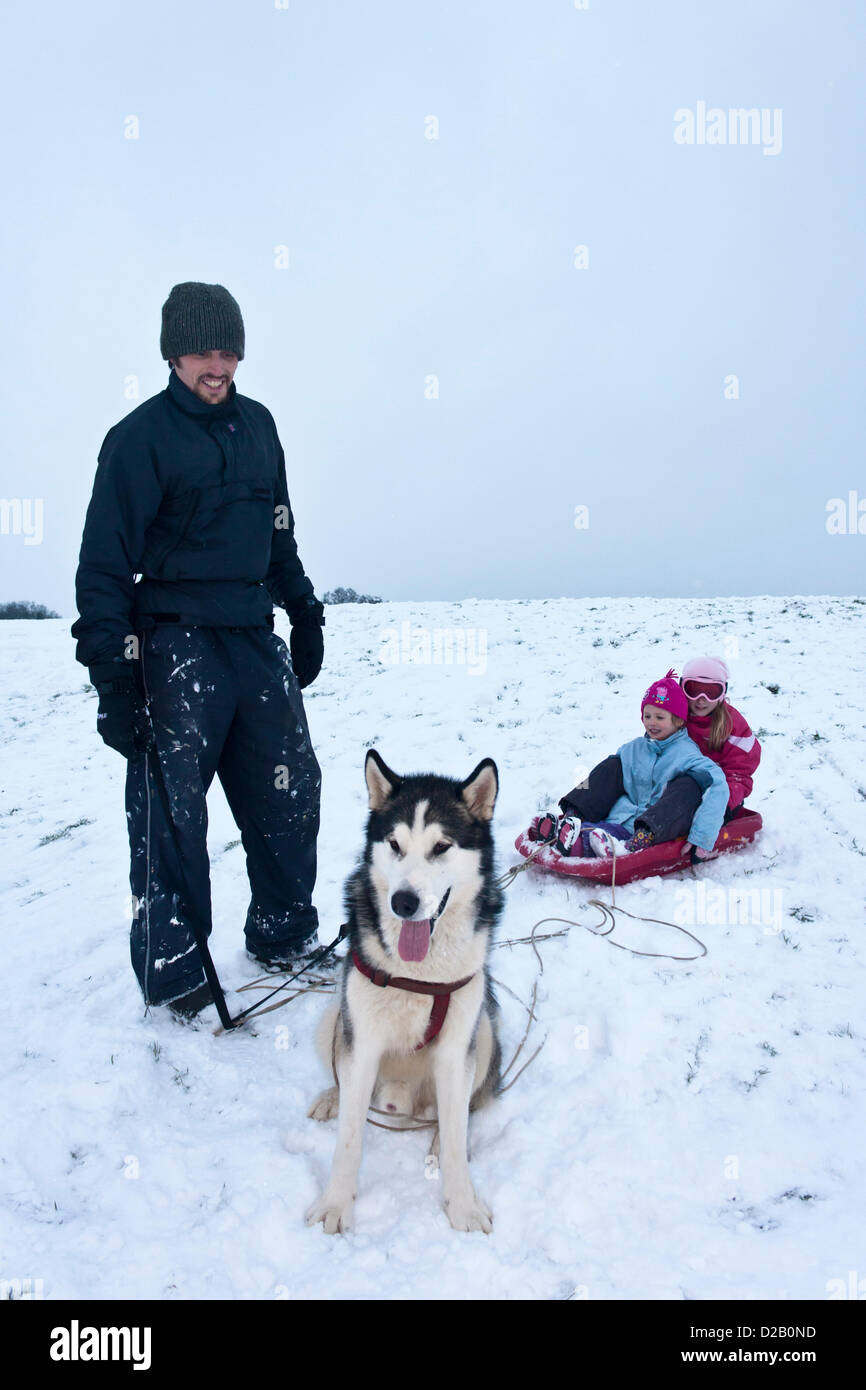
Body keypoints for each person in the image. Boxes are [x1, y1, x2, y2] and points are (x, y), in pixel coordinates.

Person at [71, 281, 325, 1017]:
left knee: (289, 790)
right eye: (201, 351)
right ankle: (178, 972)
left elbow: (278, 531)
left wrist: (304, 611)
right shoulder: (138, 440)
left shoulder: (261, 426)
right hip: (175, 642)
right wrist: (115, 683)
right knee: (173, 814)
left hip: (253, 635)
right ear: (172, 354)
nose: (217, 365)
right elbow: (103, 568)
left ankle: (284, 931)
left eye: (228, 349)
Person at [533, 671, 729, 860]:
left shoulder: (688, 755)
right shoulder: (634, 749)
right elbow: (603, 784)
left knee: (689, 785)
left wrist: (702, 838)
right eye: (647, 716)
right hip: (618, 820)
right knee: (612, 766)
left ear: (678, 721)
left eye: (660, 718)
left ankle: (622, 844)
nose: (652, 723)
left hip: (656, 827)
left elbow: (718, 786)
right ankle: (572, 819)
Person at [679, 657, 761, 814]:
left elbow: (739, 773)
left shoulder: (733, 726)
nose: (701, 700)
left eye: (711, 692)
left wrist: (722, 804)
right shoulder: (674, 718)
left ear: (723, 693)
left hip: (719, 792)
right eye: (694, 690)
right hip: (679, 788)